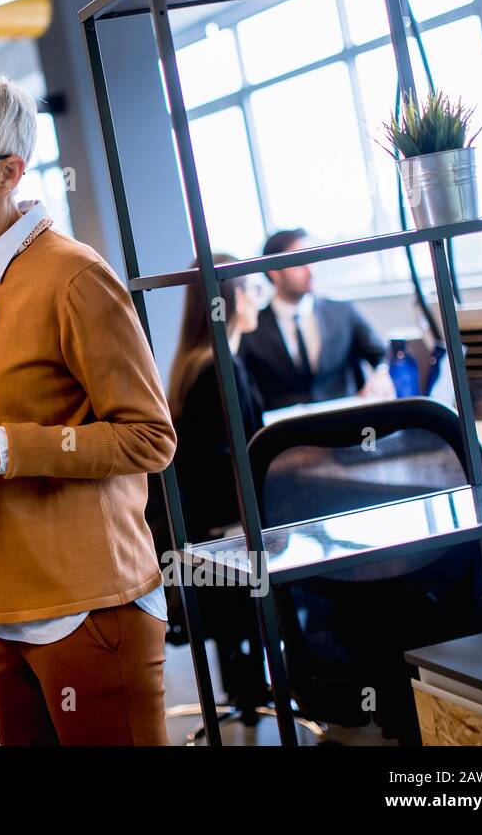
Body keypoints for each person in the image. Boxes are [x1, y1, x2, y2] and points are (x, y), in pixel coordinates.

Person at [0, 69, 177, 746]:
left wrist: (1, 444)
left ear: (7, 172)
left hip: (87, 605)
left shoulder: (74, 277)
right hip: (3, 608)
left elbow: (149, 438)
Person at [166, 256, 269, 715]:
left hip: (212, 535)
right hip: (227, 537)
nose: (258, 299)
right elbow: (230, 465)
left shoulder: (196, 363)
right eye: (251, 289)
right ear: (231, 300)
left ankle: (248, 685)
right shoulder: (218, 370)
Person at [240, 228, 389, 411]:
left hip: (345, 421)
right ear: (274, 273)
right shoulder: (252, 327)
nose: (310, 271)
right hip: (284, 432)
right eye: (299, 264)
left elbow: (380, 353)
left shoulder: (342, 312)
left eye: (311, 261)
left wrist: (381, 374)